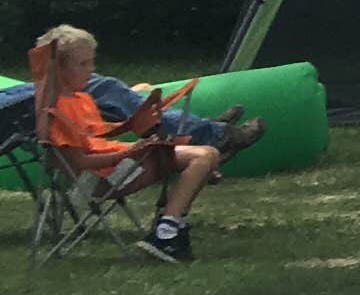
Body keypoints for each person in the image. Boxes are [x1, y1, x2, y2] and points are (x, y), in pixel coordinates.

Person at [9, 26, 262, 263]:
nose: (91, 70)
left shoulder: (81, 99)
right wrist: (130, 151)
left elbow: (97, 134)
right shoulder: (56, 112)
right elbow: (80, 162)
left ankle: (169, 226)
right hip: (101, 179)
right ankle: (167, 231)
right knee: (203, 157)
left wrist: (136, 130)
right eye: (83, 64)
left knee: (206, 156)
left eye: (91, 62)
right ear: (58, 69)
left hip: (119, 165)